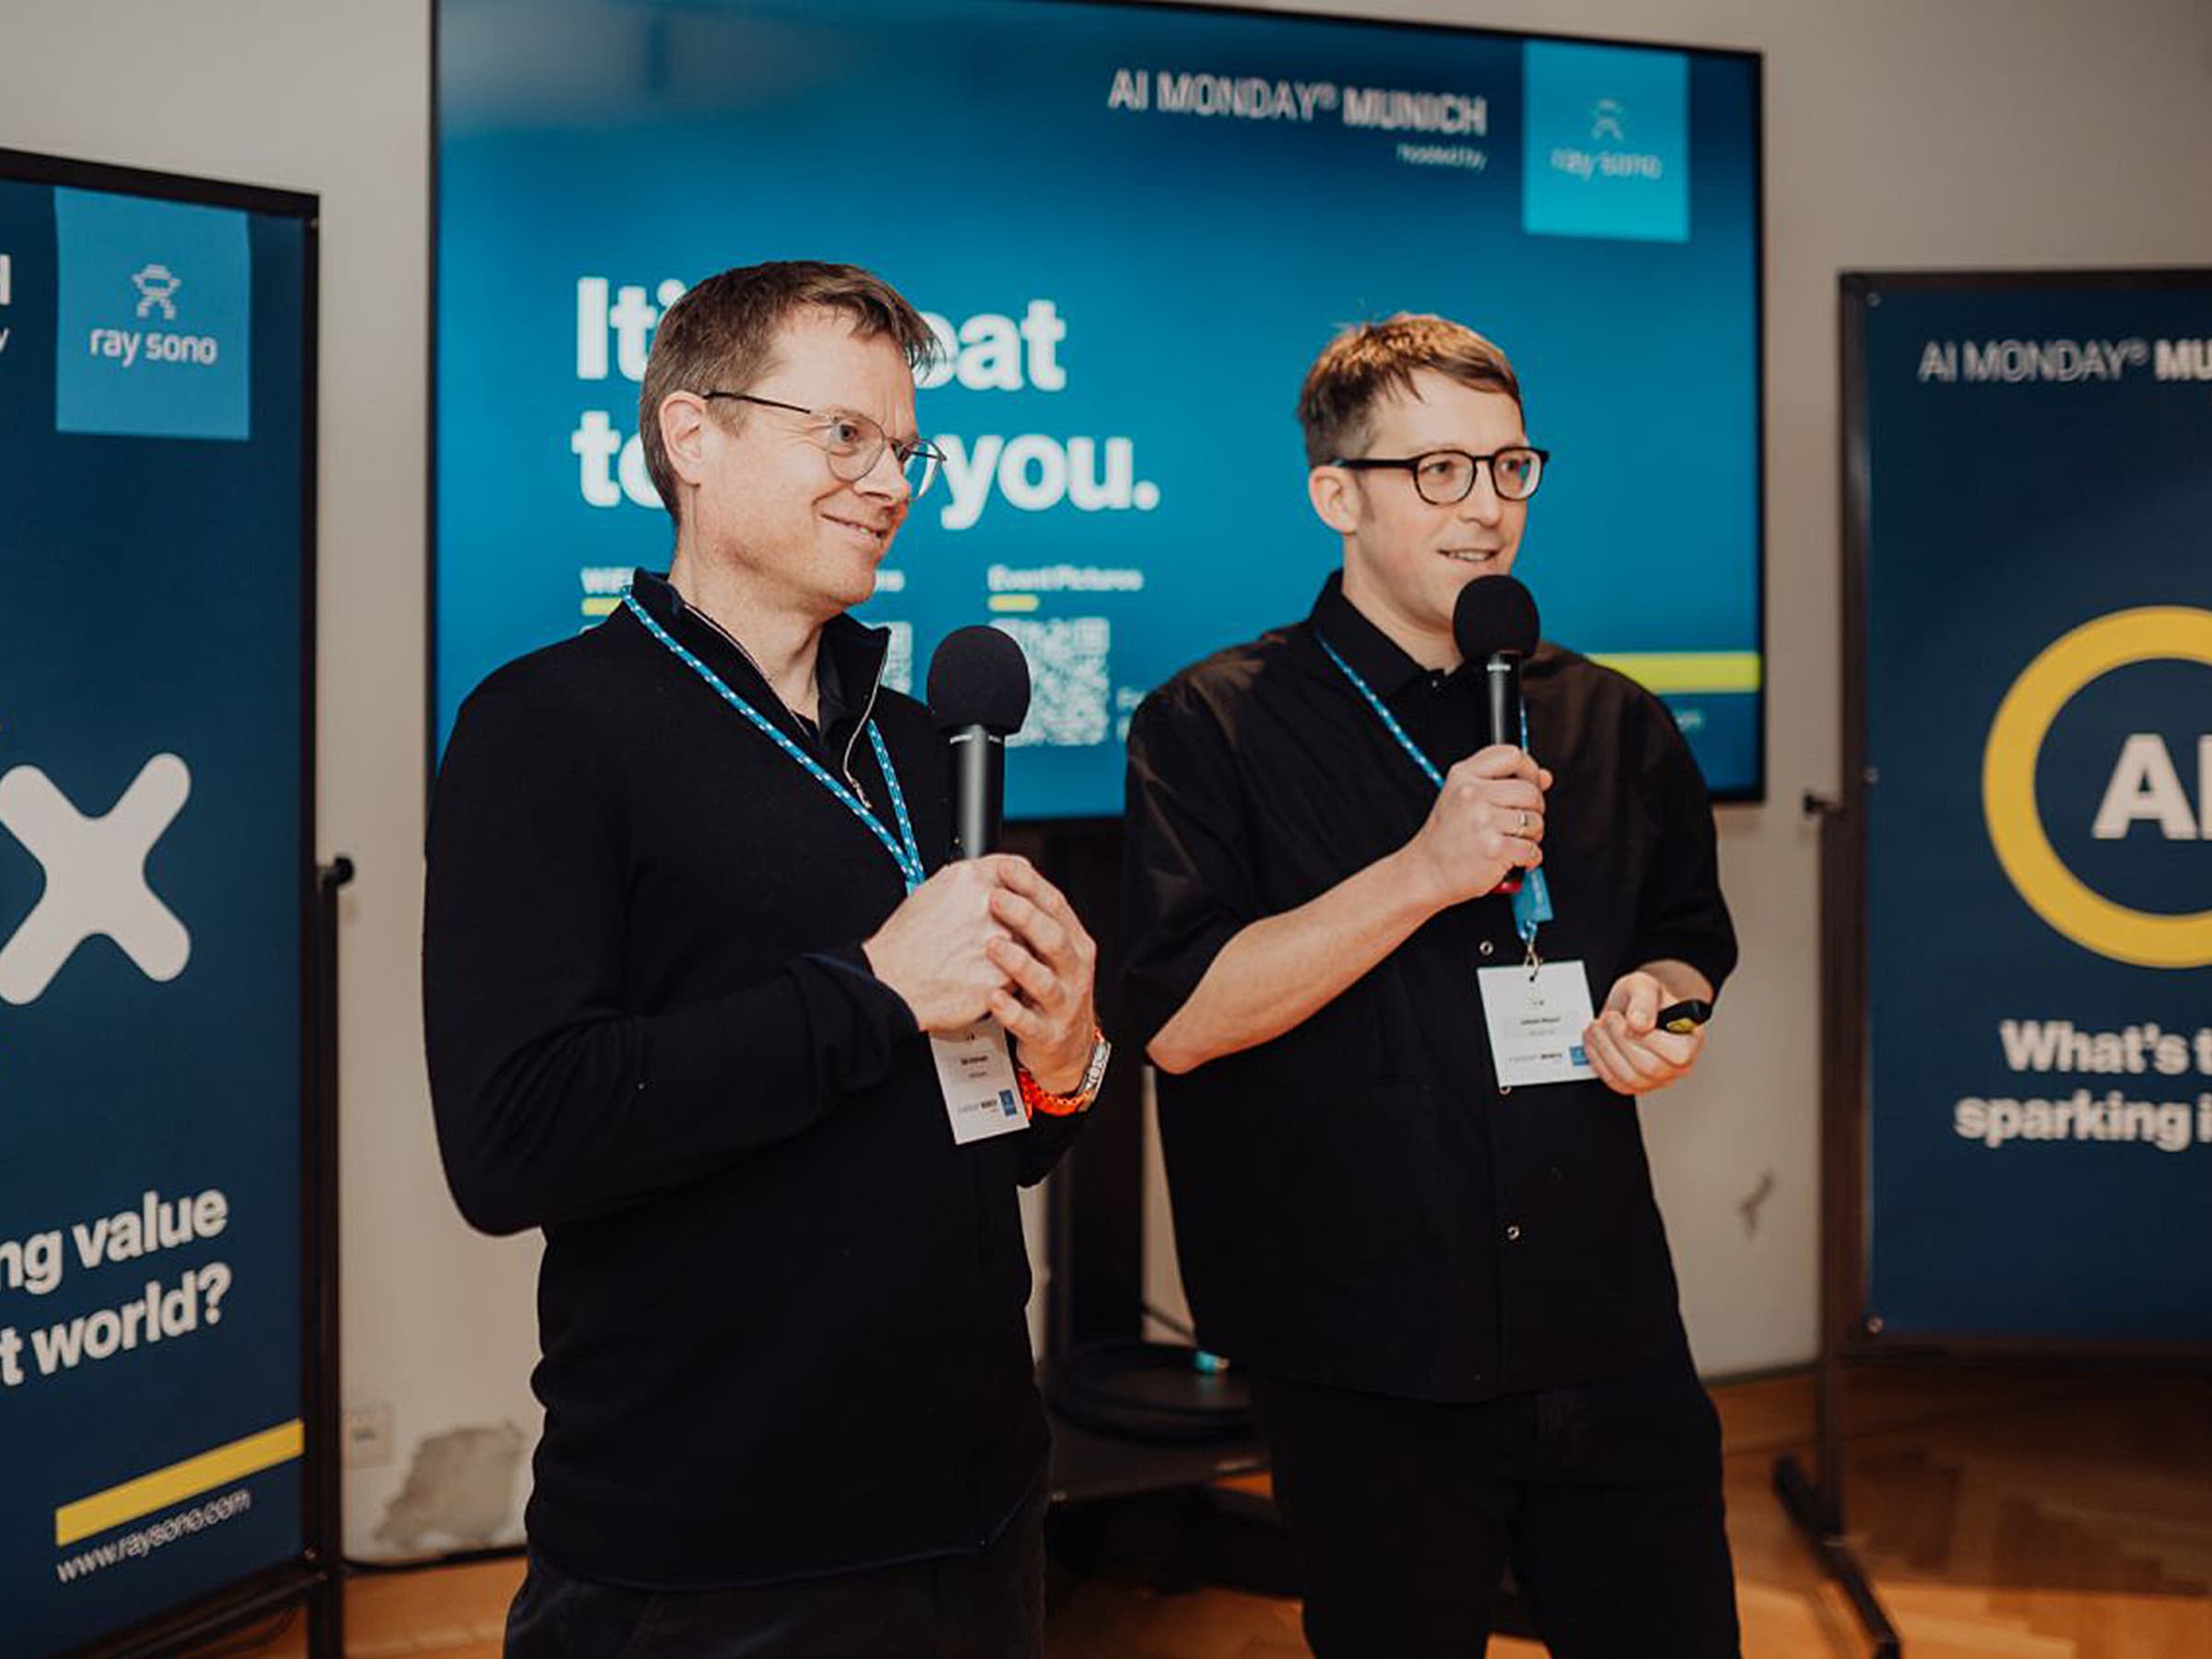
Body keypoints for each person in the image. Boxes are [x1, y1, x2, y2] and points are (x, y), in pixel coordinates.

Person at [424, 260, 1111, 1657]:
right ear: (693, 437)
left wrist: (1066, 1063)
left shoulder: (928, 746)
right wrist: (871, 994)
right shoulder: (545, 728)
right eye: (842, 434)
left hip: (979, 1516)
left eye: (905, 446)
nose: (889, 479)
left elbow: (990, 1135)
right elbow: (515, 1139)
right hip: (706, 1562)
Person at [1122, 314, 1740, 1656]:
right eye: (1440, 472)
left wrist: (1662, 1007)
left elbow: (1689, 938)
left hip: (1609, 1324)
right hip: (1366, 1348)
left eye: (1511, 469)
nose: (1487, 510)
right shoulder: (1208, 723)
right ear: (1336, 495)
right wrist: (1422, 870)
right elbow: (1178, 1020)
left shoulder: (1611, 717)